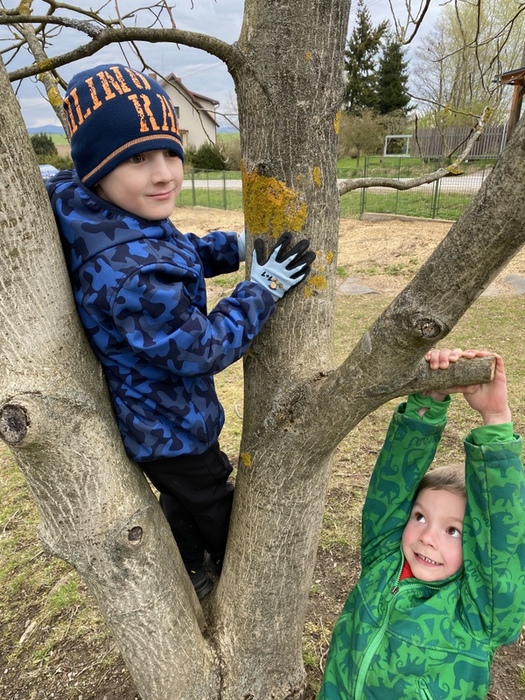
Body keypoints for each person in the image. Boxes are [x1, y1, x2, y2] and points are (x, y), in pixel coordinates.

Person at [46, 63, 316, 599]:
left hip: (152, 419)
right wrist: (261, 289)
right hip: (169, 422)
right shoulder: (131, 275)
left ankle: (190, 566)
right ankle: (232, 570)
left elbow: (171, 250)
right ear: (96, 167)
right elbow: (204, 347)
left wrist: (230, 247)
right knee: (211, 496)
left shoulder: (101, 215)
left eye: (171, 152)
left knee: (180, 496)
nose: (164, 173)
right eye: (136, 159)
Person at [318, 347, 525, 700]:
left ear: (477, 545)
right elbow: (391, 486)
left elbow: (502, 534)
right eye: (420, 517)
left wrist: (494, 416)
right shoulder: (383, 560)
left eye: (453, 530)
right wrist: (428, 401)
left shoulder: (480, 613)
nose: (427, 537)